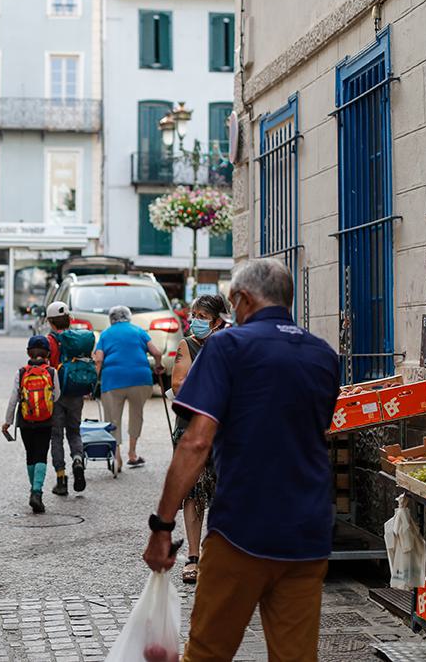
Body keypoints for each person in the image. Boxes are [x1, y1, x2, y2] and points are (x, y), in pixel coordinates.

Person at [143, 259, 339, 662]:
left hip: (242, 532)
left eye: (234, 303)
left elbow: (196, 442)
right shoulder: (323, 356)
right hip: (308, 535)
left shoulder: (227, 346)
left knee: (207, 653)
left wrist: (163, 526)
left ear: (245, 298)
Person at [167, 294, 230, 584]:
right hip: (191, 429)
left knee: (226, 492)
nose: (195, 322)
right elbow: (179, 385)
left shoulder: (232, 343)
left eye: (202, 317)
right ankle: (193, 556)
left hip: (226, 431)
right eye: (194, 315)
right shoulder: (187, 345)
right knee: (193, 493)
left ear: (218, 321)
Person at [93, 306, 164, 472]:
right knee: (136, 414)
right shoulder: (139, 331)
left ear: (111, 319)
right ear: (129, 317)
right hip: (140, 379)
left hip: (113, 380)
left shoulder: (106, 334)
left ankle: (117, 457)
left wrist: (93, 381)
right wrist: (159, 365)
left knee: (112, 419)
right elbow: (157, 352)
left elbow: (99, 360)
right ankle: (132, 454)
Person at [2, 335, 61, 514]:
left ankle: (33, 490)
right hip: (45, 420)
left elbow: (13, 399)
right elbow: (57, 395)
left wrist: (8, 421)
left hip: (26, 421)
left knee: (30, 454)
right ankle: (37, 492)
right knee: (41, 454)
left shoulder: (21, 372)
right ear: (47, 353)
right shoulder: (51, 372)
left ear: (28, 352)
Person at [44, 300, 87, 496]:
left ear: (50, 321)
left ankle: (61, 479)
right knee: (74, 432)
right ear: (69, 319)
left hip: (55, 394)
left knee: (56, 436)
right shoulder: (78, 338)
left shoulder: (49, 341)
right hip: (76, 392)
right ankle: (78, 460)